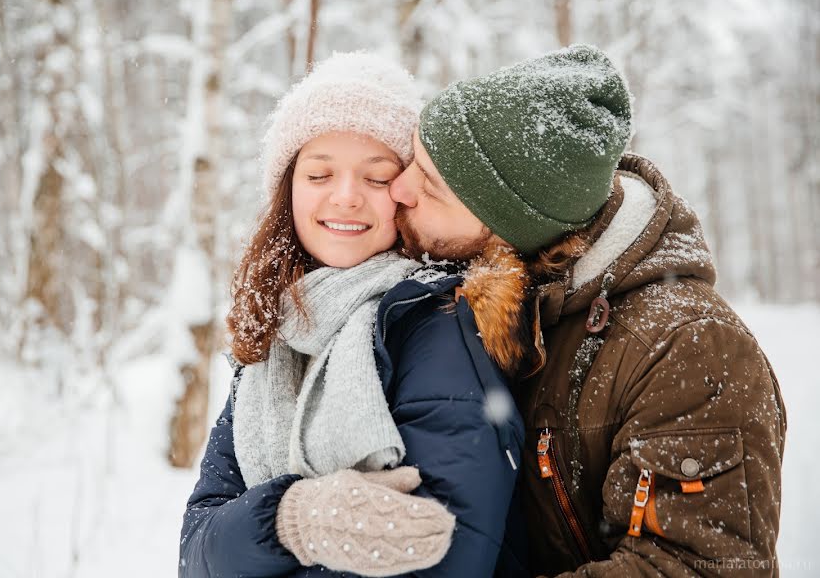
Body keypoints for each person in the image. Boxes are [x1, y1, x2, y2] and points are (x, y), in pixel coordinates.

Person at [388, 44, 786, 576]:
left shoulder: (687, 347)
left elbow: (695, 567)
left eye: (430, 187)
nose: (397, 187)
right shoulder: (490, 293)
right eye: (413, 158)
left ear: (513, 224)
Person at [178, 51, 527, 578]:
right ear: (288, 191)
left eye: (377, 178)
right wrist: (290, 520)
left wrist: (261, 545)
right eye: (319, 174)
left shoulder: (437, 324)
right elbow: (196, 546)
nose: (345, 198)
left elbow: (445, 555)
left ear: (408, 194)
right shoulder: (278, 333)